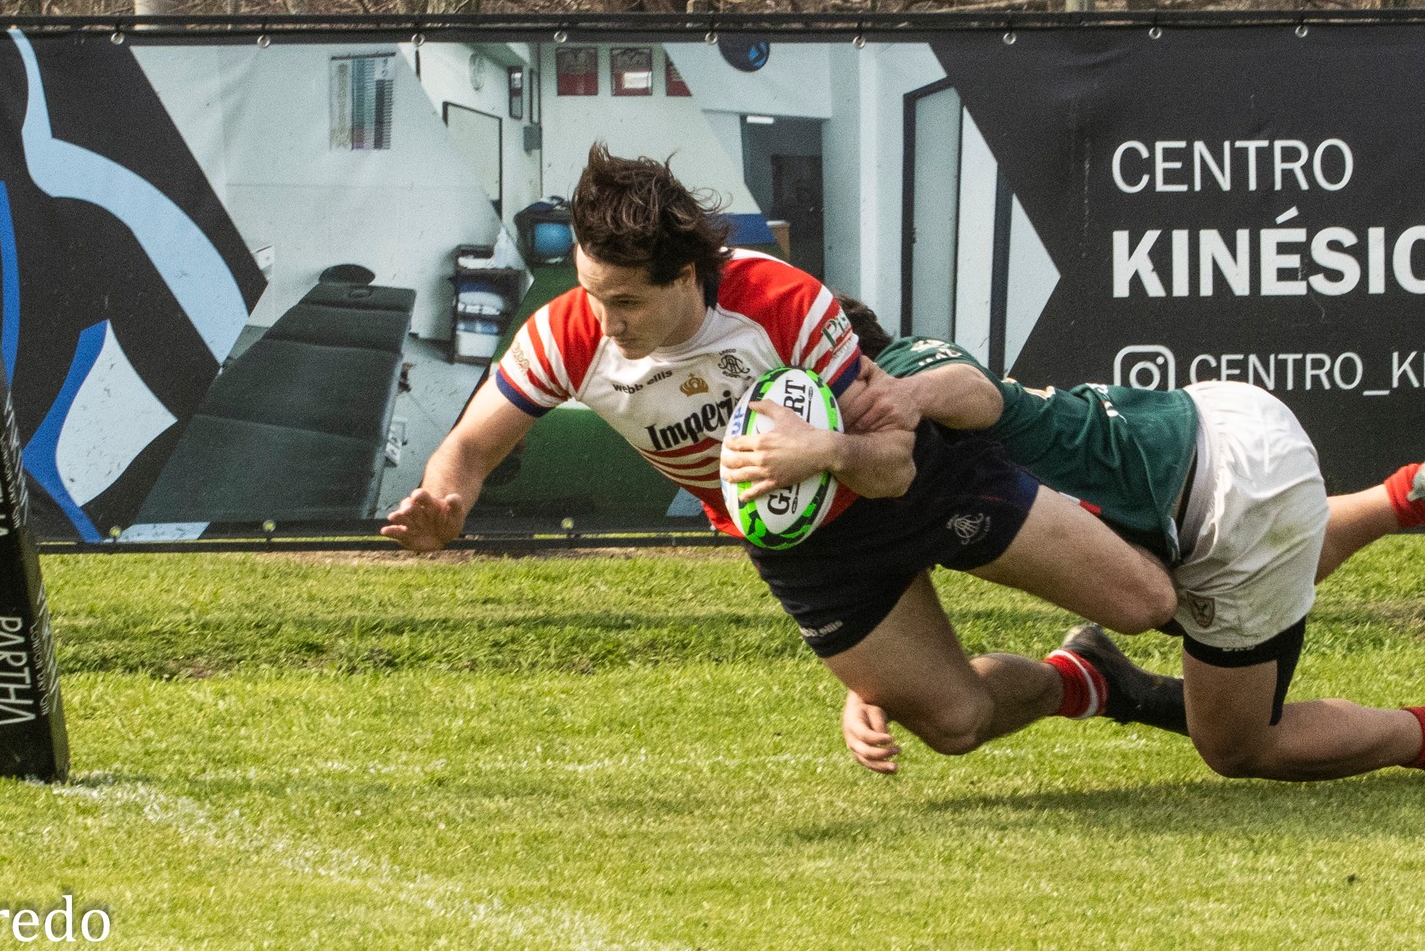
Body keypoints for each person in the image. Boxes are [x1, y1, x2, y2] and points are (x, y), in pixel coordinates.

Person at [383, 144, 1189, 765]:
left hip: (915, 485)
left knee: (1148, 599)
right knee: (955, 724)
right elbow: (469, 445)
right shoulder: (567, 334)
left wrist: (825, 449)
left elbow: (895, 466)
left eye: (626, 300)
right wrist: (444, 499)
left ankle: (1198, 547)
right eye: (593, 291)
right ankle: (1090, 679)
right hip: (803, 545)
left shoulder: (781, 302)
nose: (606, 319)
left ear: (691, 274)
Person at [833, 298, 1425, 781]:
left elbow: (970, 390)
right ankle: (1404, 495)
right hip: (1216, 434)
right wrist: (882, 678)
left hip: (1222, 499)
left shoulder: (899, 370)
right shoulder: (862, 466)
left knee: (1234, 741)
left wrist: (907, 395)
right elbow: (891, 590)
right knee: (1245, 581)